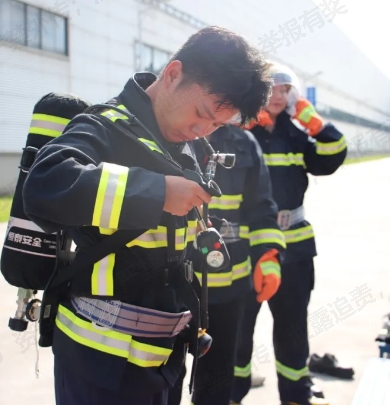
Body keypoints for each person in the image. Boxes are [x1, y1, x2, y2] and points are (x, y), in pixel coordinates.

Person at [22, 26, 272, 405]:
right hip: (100, 362)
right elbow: (45, 186)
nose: (201, 130)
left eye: (216, 126)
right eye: (201, 114)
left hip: (162, 358)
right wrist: (158, 192)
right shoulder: (104, 126)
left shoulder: (183, 145)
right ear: (173, 74)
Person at [231, 63, 348, 405]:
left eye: (284, 89)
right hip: (246, 249)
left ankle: (296, 396)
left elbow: (331, 158)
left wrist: (316, 124)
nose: (278, 95)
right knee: (238, 330)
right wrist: (239, 123)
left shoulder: (297, 135)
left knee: (293, 329)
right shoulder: (240, 133)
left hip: (294, 251)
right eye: (271, 88)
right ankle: (231, 395)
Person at [167, 123, 287, 405]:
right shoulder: (164, 132)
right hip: (170, 282)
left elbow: (260, 205)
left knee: (219, 374)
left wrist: (268, 255)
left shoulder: (244, 143)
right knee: (166, 373)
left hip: (228, 285)